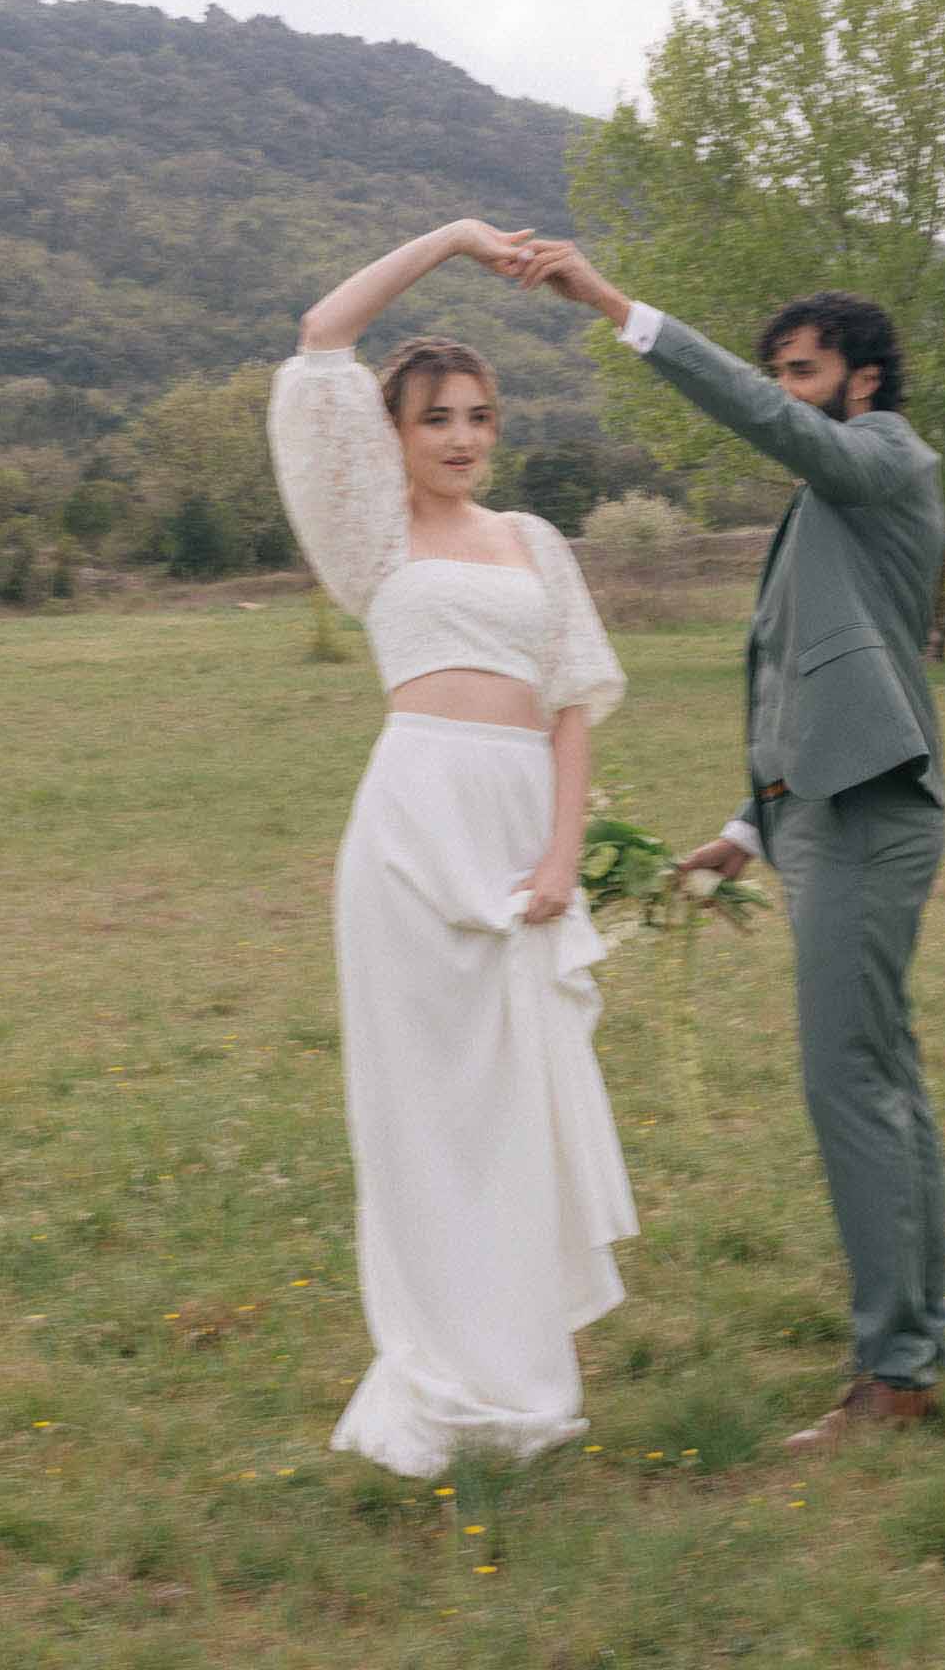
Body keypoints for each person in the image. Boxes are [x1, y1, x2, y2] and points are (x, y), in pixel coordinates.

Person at [514, 239, 945, 1450]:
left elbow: (776, 427)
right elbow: (801, 676)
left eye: (803, 371)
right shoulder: (832, 500)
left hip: (869, 817)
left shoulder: (884, 456)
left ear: (863, 381)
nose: (785, 390)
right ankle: (914, 1341)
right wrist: (742, 828)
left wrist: (613, 305)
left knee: (851, 1083)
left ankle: (896, 1371)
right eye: (780, 372)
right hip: (820, 814)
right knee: (885, 1080)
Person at [266, 220, 637, 1479]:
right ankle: (437, 1372)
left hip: (518, 828)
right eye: (436, 419)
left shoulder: (536, 541)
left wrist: (561, 853)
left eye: (479, 413)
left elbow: (574, 697)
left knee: (516, 1111)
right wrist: (458, 240)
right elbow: (323, 339)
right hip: (411, 842)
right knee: (424, 1118)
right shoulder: (372, 538)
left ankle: (524, 1382)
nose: (464, 437)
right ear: (396, 437)